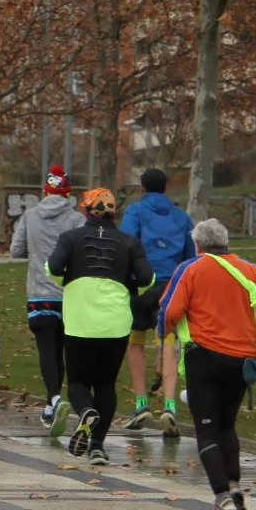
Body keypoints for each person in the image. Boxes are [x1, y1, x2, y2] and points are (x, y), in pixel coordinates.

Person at [162, 217, 256, 510]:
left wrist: (164, 334)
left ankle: (222, 495)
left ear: (198, 244)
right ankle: (234, 485)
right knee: (227, 426)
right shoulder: (252, 271)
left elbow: (170, 310)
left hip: (203, 357)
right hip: (241, 360)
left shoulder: (190, 269)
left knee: (206, 430)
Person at [46, 189, 153, 465]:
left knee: (79, 382)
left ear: (85, 211)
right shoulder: (130, 243)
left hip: (79, 321)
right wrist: (129, 286)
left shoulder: (69, 239)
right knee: (106, 383)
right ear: (114, 213)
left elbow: (54, 268)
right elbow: (147, 279)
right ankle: (97, 447)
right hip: (115, 323)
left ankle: (85, 412)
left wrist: (68, 281)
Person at [10, 165, 87, 426]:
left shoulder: (30, 216)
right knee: (64, 351)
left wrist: (36, 253)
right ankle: (53, 402)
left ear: (46, 189)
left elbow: (15, 250)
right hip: (69, 295)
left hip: (39, 294)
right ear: (67, 193)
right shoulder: (77, 219)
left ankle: (53, 400)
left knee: (47, 350)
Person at [120, 167, 195, 433]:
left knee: (136, 343)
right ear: (166, 189)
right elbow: (190, 255)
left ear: (142, 188)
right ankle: (170, 405)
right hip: (171, 287)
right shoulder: (182, 217)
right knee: (169, 344)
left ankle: (141, 404)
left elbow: (126, 243)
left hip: (141, 285)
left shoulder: (135, 212)